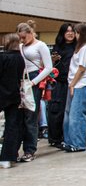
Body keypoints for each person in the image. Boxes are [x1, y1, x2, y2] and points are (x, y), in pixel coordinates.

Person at [17, 21, 52, 161]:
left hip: (33, 78)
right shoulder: (20, 46)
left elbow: (48, 67)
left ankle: (30, 149)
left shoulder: (41, 45)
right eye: (20, 37)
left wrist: (34, 82)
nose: (22, 40)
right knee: (20, 115)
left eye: (24, 37)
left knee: (31, 115)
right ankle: (20, 148)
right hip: (22, 79)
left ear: (31, 34)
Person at [62, 23, 86, 154]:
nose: (75, 35)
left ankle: (78, 143)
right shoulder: (81, 48)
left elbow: (81, 68)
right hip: (75, 83)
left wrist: (72, 84)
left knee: (76, 115)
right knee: (70, 114)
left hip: (81, 84)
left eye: (76, 32)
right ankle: (70, 141)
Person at [0, 33, 27, 169]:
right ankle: (8, 157)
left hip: (2, 94)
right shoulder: (20, 59)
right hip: (14, 95)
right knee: (12, 126)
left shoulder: (2, 57)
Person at [47, 23, 76, 147]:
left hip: (73, 83)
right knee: (56, 109)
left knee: (71, 112)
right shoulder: (57, 48)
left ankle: (67, 137)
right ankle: (55, 138)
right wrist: (53, 60)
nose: (70, 33)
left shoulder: (78, 47)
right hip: (59, 83)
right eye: (67, 31)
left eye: (72, 31)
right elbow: (50, 67)